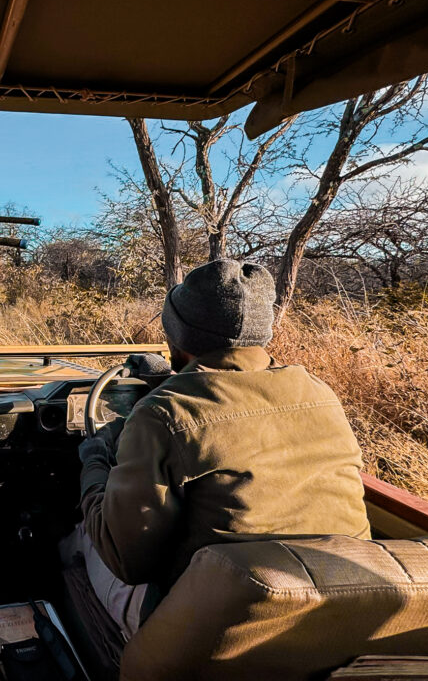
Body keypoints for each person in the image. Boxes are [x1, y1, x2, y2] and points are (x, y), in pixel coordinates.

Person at [71, 259, 370, 638]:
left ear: (177, 339)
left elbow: (127, 561)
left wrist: (94, 460)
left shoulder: (163, 413)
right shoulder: (321, 393)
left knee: (82, 533)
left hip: (217, 628)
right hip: (336, 609)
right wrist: (172, 377)